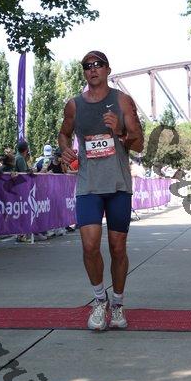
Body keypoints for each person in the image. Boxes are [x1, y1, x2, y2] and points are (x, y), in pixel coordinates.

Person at [59, 50, 144, 331]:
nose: (92, 69)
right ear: (84, 72)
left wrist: (120, 131)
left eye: (98, 64)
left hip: (118, 184)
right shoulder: (74, 105)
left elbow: (139, 144)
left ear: (108, 69)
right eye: (87, 66)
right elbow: (63, 133)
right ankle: (99, 301)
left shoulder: (122, 101)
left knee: (117, 248)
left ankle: (117, 304)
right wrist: (65, 149)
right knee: (89, 246)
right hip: (88, 185)